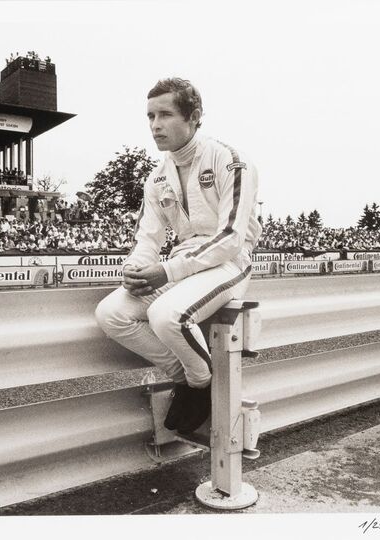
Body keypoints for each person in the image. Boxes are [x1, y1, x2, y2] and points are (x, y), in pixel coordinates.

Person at [95, 78, 261, 435]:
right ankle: (189, 379)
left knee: (166, 314)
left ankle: (201, 386)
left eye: (165, 115)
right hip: (182, 265)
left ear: (194, 117)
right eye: (150, 116)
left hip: (229, 262)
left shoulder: (231, 160)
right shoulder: (156, 178)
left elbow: (231, 237)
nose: (155, 126)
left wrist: (167, 271)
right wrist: (135, 269)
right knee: (111, 313)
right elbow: (147, 239)